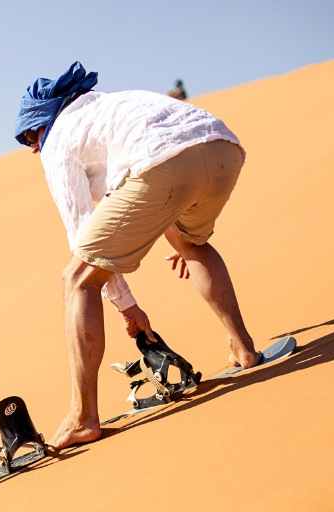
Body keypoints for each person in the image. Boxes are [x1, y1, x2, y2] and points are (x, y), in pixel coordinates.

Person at [14, 62, 261, 451]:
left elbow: (83, 238)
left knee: (76, 278)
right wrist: (175, 233)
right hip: (223, 148)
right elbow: (153, 177)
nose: (31, 146)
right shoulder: (110, 106)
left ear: (43, 121)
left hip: (161, 162)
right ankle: (244, 348)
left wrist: (128, 308)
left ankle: (83, 417)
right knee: (191, 244)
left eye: (29, 134)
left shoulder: (58, 139)